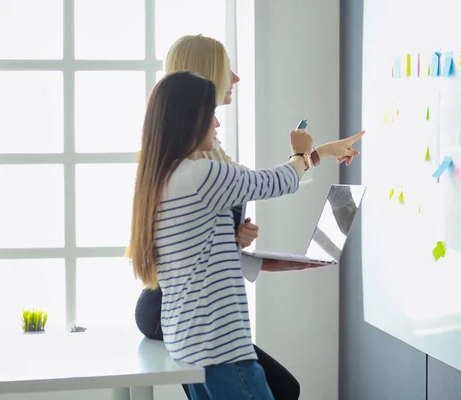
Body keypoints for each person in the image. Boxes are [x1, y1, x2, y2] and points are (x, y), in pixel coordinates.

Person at [129, 71, 364, 399]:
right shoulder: (201, 175)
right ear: (190, 119)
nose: (217, 124)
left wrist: (320, 153)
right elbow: (274, 181)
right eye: (211, 115)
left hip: (191, 345)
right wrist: (301, 151)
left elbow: (205, 252)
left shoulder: (164, 180)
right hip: (220, 348)